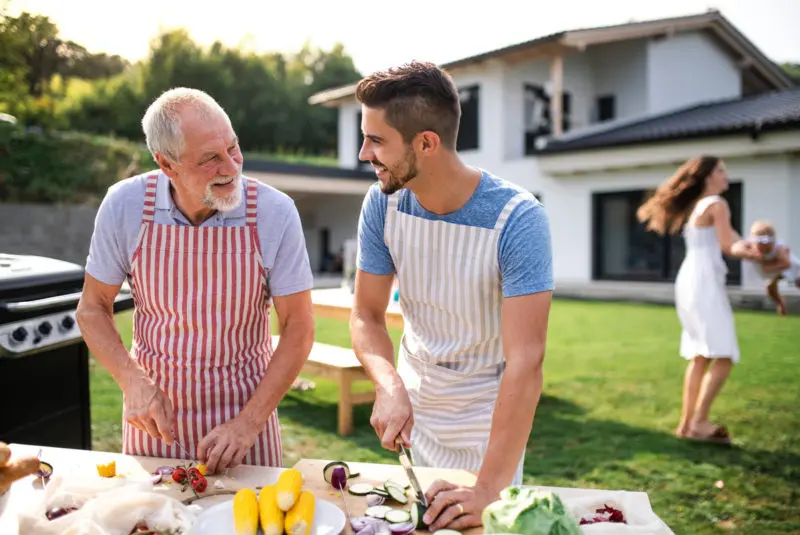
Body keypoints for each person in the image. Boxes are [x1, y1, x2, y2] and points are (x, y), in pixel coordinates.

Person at [349, 61, 553, 532]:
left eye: (376, 140)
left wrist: (488, 489)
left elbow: (527, 361)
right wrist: (388, 385)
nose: (364, 153)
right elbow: (367, 314)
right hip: (416, 401)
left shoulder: (518, 219)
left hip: (490, 416)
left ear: (426, 143)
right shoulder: (382, 202)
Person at [76, 88, 315, 474]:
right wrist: (132, 381)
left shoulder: (275, 212)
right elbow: (92, 308)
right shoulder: (124, 205)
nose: (231, 167)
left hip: (245, 419)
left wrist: (248, 423)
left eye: (233, 149)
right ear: (167, 165)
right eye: (210, 159)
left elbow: (299, 327)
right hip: (154, 422)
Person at [637, 156, 762, 445]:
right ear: (707, 177)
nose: (725, 174)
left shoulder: (700, 207)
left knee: (701, 355)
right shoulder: (716, 204)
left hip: (691, 281)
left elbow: (732, 239)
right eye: (720, 170)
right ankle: (700, 422)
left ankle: (687, 424)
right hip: (704, 284)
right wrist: (757, 254)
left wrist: (753, 247)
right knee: (724, 354)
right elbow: (729, 245)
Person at [748, 220, 800, 316]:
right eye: (758, 243)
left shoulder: (779, 249)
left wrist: (767, 266)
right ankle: (781, 304)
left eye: (764, 244)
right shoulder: (750, 249)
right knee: (770, 290)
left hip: (792, 269)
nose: (761, 247)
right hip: (775, 273)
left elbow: (786, 264)